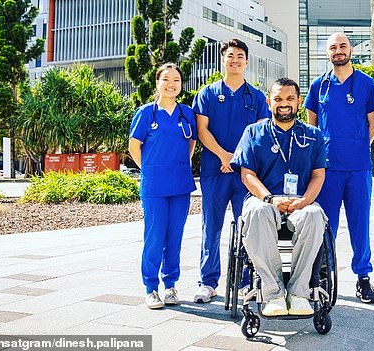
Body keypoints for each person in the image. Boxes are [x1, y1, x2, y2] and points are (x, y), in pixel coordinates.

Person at [231, 78, 328, 316]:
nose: (284, 104)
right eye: (278, 99)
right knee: (256, 212)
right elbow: (247, 175)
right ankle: (273, 292)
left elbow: (318, 176)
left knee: (315, 215)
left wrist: (304, 201)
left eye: (289, 98)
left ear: (299, 101)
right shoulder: (253, 133)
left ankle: (298, 293)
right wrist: (269, 199)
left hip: (300, 201)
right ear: (269, 102)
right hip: (264, 199)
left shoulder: (314, 136)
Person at [303, 32, 374, 304]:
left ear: (351, 50)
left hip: (358, 168)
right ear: (328, 53)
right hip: (327, 169)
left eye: (343, 46)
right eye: (333, 47)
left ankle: (363, 278)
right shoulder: (318, 86)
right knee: (326, 226)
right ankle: (323, 274)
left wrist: (358, 145)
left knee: (360, 225)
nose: (338, 50)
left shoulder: (367, 84)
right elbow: (312, 124)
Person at [192, 39, 271, 303]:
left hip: (245, 173)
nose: (235, 60)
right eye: (230, 56)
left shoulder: (257, 97)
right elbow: (202, 130)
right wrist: (224, 156)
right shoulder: (207, 94)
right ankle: (208, 281)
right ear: (222, 60)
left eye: (240, 56)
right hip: (215, 169)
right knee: (211, 227)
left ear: (247, 62)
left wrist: (236, 159)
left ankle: (245, 281)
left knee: (247, 227)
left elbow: (260, 135)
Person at [129, 63, 198, 309]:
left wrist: (180, 164)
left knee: (175, 237)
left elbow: (191, 144)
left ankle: (170, 286)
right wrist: (149, 168)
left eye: (176, 80)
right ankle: (151, 288)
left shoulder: (187, 114)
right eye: (166, 79)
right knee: (154, 236)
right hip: (155, 186)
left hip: (180, 183)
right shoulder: (147, 113)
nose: (171, 84)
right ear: (157, 82)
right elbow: (134, 146)